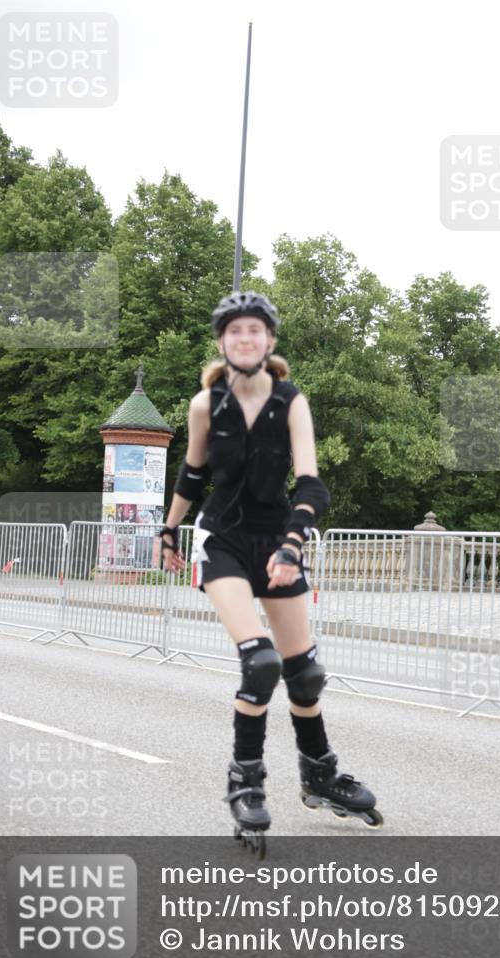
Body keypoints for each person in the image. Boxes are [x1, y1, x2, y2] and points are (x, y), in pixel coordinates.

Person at [159, 291, 381, 847]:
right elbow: (192, 474)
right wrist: (168, 529)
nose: (245, 339)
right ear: (222, 341)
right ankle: (247, 782)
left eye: (255, 330)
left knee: (304, 673)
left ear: (270, 340)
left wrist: (293, 542)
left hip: (277, 536)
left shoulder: (291, 401)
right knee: (260, 663)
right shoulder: (204, 404)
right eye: (235, 331)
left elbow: (310, 483)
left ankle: (320, 774)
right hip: (224, 537)